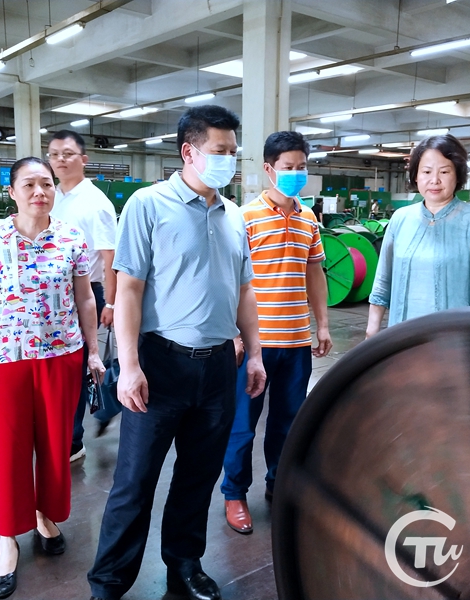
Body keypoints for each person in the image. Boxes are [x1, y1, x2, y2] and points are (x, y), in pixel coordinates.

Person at [86, 105, 266, 600]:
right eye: (220, 151)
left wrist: (253, 354)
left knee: (198, 476)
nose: (229, 160)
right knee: (135, 480)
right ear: (189, 152)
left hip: (218, 368)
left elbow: (244, 291)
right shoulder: (148, 205)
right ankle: (109, 583)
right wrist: (128, 366)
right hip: (160, 364)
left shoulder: (234, 216)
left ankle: (184, 565)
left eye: (234, 152)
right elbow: (129, 290)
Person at [0, 157, 105, 599]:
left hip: (62, 355)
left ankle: (46, 516)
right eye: (28, 185)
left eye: (46, 184)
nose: (39, 192)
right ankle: (7, 538)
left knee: (55, 444)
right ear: (12, 192)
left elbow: (86, 299)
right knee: (8, 449)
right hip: (9, 358)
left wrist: (94, 351)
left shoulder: (71, 237)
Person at [221, 131, 331, 535]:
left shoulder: (309, 218)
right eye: (288, 168)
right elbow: (229, 280)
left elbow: (314, 273)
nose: (296, 174)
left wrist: (322, 323)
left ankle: (278, 483)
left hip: (296, 341)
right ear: (269, 169)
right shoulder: (244, 217)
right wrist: (235, 336)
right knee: (242, 425)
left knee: (288, 421)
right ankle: (234, 494)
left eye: (302, 167)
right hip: (257, 344)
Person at [366, 134, 470, 338]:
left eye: (444, 171)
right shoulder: (400, 219)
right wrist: (372, 330)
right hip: (400, 339)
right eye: (426, 171)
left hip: (454, 342)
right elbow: (383, 280)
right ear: (416, 175)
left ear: (458, 175)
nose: (434, 180)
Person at [46, 130, 119, 462]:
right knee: (58, 366)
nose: (60, 160)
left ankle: (73, 441)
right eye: (54, 154)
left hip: (87, 292)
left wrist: (112, 303)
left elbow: (110, 257)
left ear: (84, 160)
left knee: (76, 368)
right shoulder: (52, 196)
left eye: (68, 154)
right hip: (52, 295)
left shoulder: (95, 203)